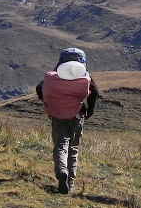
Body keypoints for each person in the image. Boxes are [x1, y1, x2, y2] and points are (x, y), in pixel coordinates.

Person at [36, 48, 99, 194]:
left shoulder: (55, 75)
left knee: (60, 145)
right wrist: (89, 111)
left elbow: (40, 88)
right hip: (77, 115)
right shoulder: (84, 75)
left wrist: (49, 102)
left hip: (58, 115)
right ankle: (70, 184)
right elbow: (94, 92)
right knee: (73, 149)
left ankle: (61, 171)